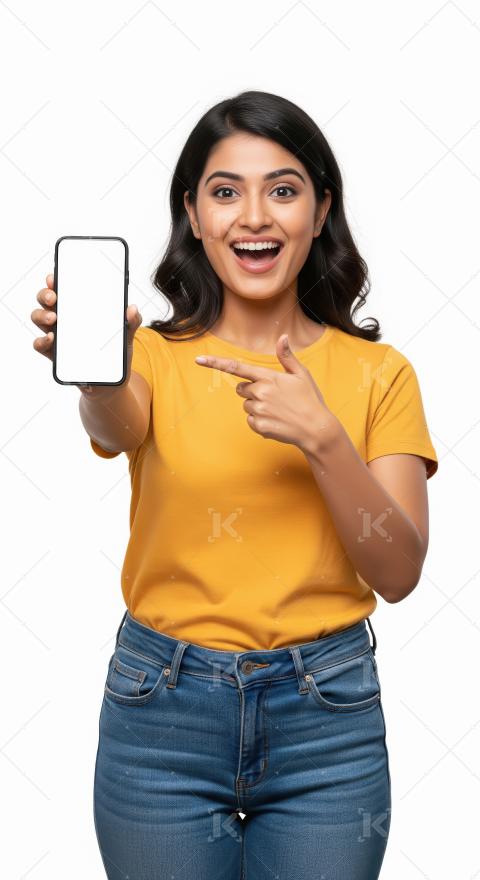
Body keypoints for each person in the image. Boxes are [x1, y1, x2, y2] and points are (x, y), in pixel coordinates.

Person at [31, 90, 438, 879]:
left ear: (321, 211)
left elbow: (398, 573)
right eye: (226, 192)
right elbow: (116, 427)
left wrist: (322, 437)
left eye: (283, 189)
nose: (255, 215)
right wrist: (97, 369)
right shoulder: (150, 357)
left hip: (329, 721)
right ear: (192, 214)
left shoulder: (380, 376)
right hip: (161, 715)